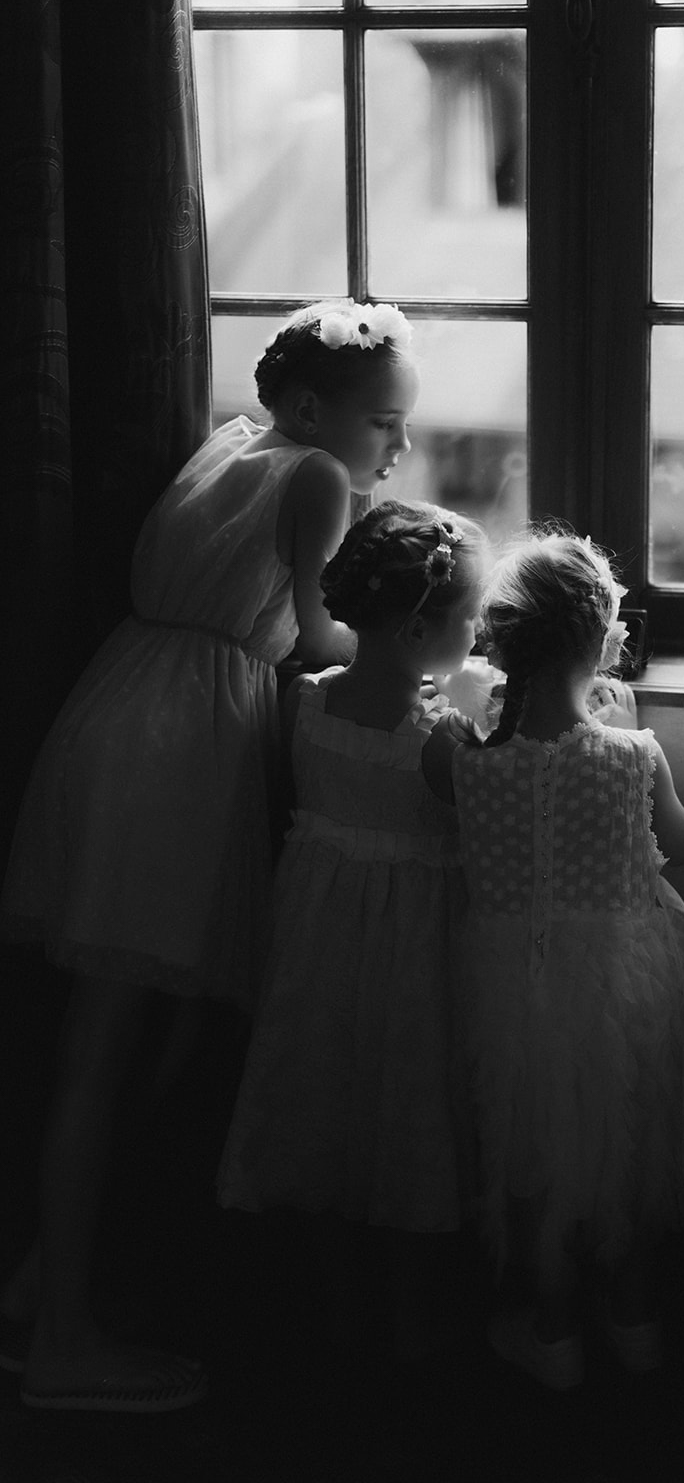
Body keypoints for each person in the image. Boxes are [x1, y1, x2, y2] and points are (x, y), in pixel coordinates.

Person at [0, 299, 418, 1411]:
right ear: (316, 408)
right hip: (180, 746)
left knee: (164, 1020)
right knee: (107, 1039)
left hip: (126, 706)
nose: (397, 449)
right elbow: (325, 635)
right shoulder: (316, 477)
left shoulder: (231, 441)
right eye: (385, 423)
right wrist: (422, 646)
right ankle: (64, 1344)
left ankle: (47, 1281)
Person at [423, 531, 684, 1391]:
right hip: (625, 977)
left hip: (509, 982)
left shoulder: (457, 760)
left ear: (501, 644)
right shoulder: (633, 754)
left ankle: (552, 1331)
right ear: (602, 643)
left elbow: (452, 800)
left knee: (531, 1148)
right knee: (618, 1146)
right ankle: (633, 1321)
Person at [217, 500, 487, 1357]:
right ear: (419, 630)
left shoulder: (304, 701)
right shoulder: (442, 739)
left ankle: (338, 1303)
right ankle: (410, 1315)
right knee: (408, 1102)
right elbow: (478, 843)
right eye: (470, 618)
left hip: (316, 937)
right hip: (413, 947)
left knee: (324, 1093)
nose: (478, 632)